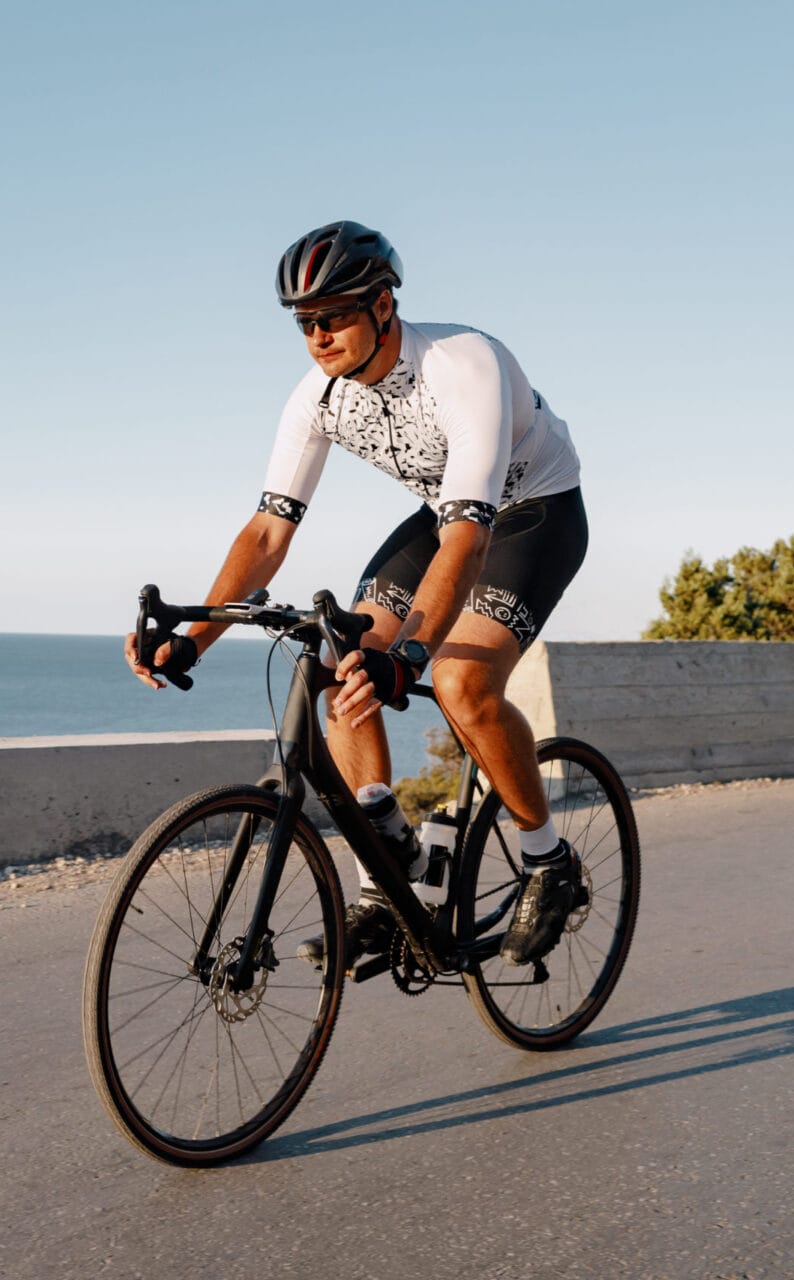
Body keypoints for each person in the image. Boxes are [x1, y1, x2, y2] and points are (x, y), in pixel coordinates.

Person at [123, 219, 590, 969]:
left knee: (461, 682)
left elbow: (468, 540)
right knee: (341, 659)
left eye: (334, 315)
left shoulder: (463, 364)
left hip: (532, 514)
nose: (319, 336)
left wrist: (408, 657)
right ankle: (387, 870)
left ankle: (547, 860)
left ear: (381, 307)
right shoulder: (317, 397)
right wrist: (191, 639)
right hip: (444, 514)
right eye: (306, 322)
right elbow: (268, 531)